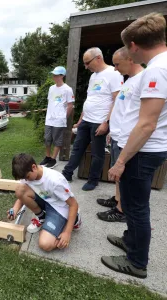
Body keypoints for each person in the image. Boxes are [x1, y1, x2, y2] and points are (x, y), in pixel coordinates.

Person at [102, 13, 167, 279]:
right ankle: (131, 240)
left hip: (142, 151)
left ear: (134, 46)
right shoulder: (159, 66)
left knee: (137, 208)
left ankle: (137, 262)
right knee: (131, 203)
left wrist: (120, 161)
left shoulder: (157, 70)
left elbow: (146, 125)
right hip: (142, 149)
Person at [61, 47, 123, 191]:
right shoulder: (93, 76)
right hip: (87, 120)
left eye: (88, 62)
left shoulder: (113, 74)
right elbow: (90, 99)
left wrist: (106, 123)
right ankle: (67, 173)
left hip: (99, 122)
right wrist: (81, 119)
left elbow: (117, 101)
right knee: (77, 148)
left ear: (99, 58)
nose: (86, 66)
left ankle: (93, 180)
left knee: (97, 153)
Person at [96, 47, 143, 223]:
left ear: (130, 59)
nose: (115, 68)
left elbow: (140, 118)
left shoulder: (142, 80)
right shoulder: (128, 80)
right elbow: (122, 110)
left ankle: (122, 211)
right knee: (118, 176)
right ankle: (117, 201)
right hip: (117, 136)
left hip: (127, 140)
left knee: (123, 176)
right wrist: (112, 130)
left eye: (117, 64)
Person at [8, 153, 81, 251]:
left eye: (27, 177)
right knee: (20, 189)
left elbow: (73, 204)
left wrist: (67, 232)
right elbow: (21, 194)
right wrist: (15, 209)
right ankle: (42, 217)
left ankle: (74, 220)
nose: (26, 180)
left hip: (59, 208)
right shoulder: (28, 174)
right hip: (45, 199)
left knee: (45, 244)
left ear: (33, 167)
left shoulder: (55, 181)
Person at [39, 66, 74, 169]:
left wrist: (63, 117)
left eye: (56, 75)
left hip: (59, 120)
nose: (54, 76)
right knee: (47, 138)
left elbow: (70, 105)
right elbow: (51, 102)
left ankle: (54, 159)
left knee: (57, 140)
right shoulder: (51, 88)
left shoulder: (67, 89)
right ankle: (48, 157)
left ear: (62, 76)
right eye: (53, 75)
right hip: (49, 119)